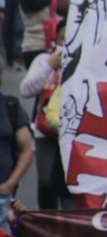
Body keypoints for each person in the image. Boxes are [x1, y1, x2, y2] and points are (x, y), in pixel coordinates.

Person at [19, 19, 71, 209]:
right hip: (45, 132)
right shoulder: (43, 60)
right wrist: (50, 65)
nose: (64, 43)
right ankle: (46, 223)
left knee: (69, 184)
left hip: (73, 132)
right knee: (46, 181)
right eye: (61, 38)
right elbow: (26, 89)